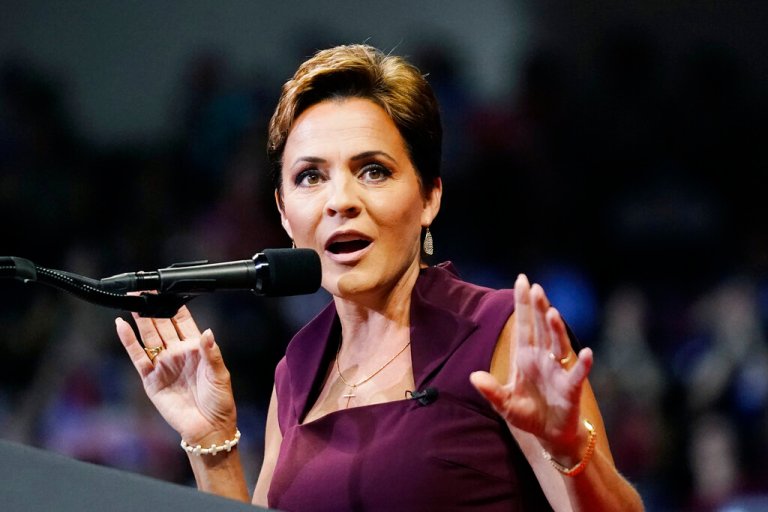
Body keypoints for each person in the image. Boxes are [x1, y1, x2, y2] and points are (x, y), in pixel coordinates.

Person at [115, 43, 645, 511]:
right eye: (310, 176)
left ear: (429, 196)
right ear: (283, 212)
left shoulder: (500, 333)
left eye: (373, 170)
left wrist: (568, 450)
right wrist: (214, 445)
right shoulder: (296, 370)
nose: (340, 201)